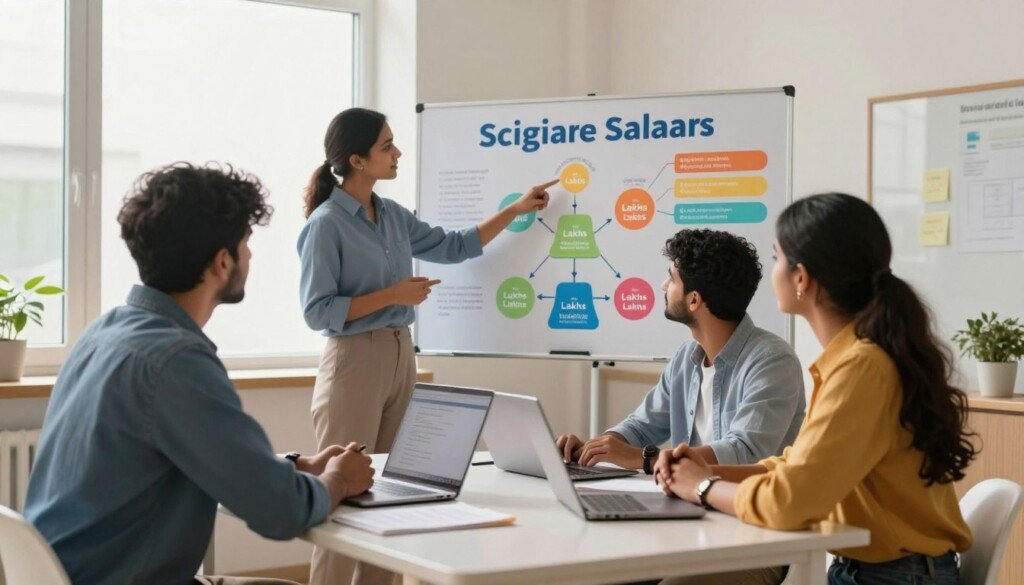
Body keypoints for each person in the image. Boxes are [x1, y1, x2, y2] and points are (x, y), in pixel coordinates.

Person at [24, 163, 376, 585]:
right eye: (246, 243)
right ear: (222, 263)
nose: (250, 255)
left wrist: (297, 466)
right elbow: (282, 513)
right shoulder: (175, 361)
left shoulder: (106, 332)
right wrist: (338, 480)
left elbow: (191, 455)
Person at [657, 193, 976, 585]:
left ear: (802, 278)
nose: (771, 273)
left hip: (895, 577)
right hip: (889, 571)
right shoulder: (856, 360)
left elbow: (789, 502)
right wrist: (706, 471)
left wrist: (702, 486)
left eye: (777, 259)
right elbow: (797, 466)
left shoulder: (862, 368)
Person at [297, 107, 555, 585]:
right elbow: (318, 312)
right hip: (353, 360)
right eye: (386, 146)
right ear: (356, 160)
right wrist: (392, 295)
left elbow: (455, 246)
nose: (397, 153)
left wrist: (516, 210)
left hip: (401, 354)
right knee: (339, 498)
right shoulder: (326, 224)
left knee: (394, 495)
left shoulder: (392, 214)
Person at [557, 229, 805, 473]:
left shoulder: (772, 361)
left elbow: (745, 452)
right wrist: (595, 448)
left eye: (672, 278)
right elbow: (642, 426)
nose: (664, 285)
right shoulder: (686, 357)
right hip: (692, 500)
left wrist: (646, 459)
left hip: (744, 507)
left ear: (694, 300)